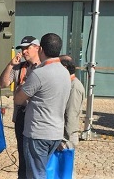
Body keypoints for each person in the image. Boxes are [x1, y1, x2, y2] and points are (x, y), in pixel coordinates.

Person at [14, 33, 71, 179]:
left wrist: (22, 87)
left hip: (38, 133)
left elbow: (19, 100)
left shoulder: (39, 73)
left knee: (35, 174)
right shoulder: (65, 73)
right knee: (42, 170)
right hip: (55, 132)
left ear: (41, 50)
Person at [0, 36, 41, 179]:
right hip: (22, 115)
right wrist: (10, 65)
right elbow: (3, 83)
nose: (24, 51)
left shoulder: (44, 67)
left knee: (37, 155)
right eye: (22, 48)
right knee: (23, 153)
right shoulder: (20, 67)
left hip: (38, 116)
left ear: (37, 47)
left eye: (27, 48)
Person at [59, 55, 85, 149]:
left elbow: (71, 114)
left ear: (64, 68)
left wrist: (64, 140)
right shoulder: (67, 84)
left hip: (66, 139)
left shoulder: (74, 87)